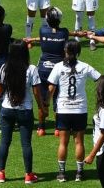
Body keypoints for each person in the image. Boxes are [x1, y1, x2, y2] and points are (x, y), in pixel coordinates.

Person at [0, 40, 47, 184]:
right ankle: (28, 175)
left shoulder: (5, 68)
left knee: (4, 142)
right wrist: (41, 107)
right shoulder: (31, 69)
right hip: (25, 111)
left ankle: (1, 173)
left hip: (7, 109)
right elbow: (36, 92)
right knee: (26, 144)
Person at [24, 7, 84, 136]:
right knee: (58, 99)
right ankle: (58, 128)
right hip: (59, 70)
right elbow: (64, 34)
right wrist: (77, 34)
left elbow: (46, 37)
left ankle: (41, 128)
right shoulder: (64, 33)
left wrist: (32, 39)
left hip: (43, 69)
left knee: (42, 100)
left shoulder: (42, 30)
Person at [48, 40, 101, 182]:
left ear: (65, 51)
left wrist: (45, 104)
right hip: (80, 109)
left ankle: (62, 173)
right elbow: (100, 79)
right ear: (78, 52)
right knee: (79, 142)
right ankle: (79, 173)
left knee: (63, 142)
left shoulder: (58, 67)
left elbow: (51, 89)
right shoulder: (85, 66)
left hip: (64, 109)